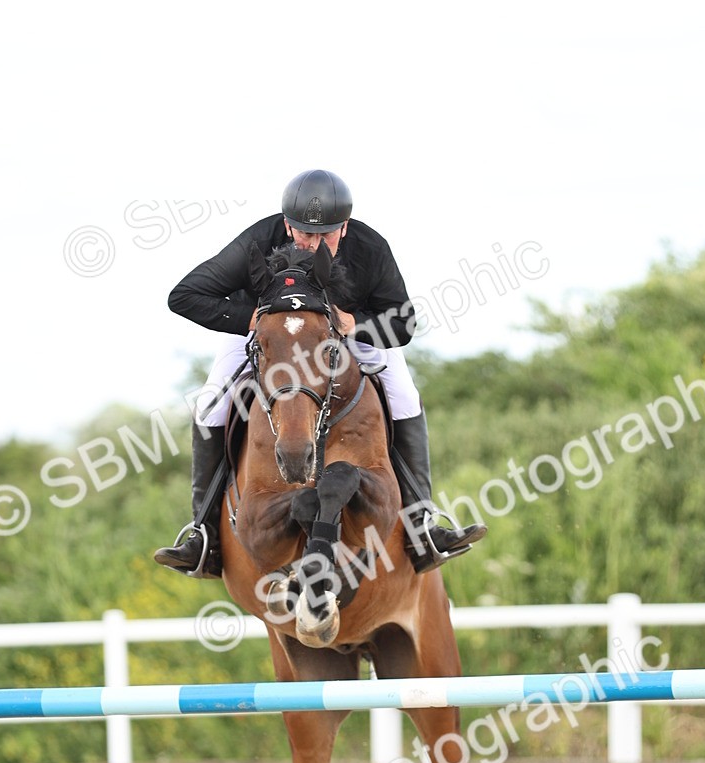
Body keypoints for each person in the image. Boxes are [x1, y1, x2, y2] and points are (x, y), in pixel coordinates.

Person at [155, 168, 486, 577]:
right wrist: (252, 318)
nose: (311, 244)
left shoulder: (369, 248)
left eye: (324, 235)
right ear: (286, 224)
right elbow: (184, 295)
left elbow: (403, 325)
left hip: (346, 335)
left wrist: (356, 324)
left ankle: (422, 526)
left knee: (404, 392)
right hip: (272, 339)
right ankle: (204, 536)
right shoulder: (260, 238)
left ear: (344, 227)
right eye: (301, 234)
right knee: (210, 405)